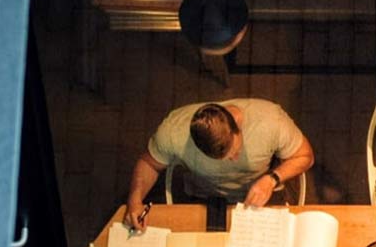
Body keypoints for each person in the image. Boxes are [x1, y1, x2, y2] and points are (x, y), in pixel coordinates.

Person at [123, 99, 314, 231]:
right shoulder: (173, 131)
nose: (233, 160)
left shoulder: (272, 122)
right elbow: (148, 163)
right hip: (204, 201)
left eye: (236, 152)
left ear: (237, 124)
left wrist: (272, 179)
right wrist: (135, 200)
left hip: (263, 197)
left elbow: (305, 156)